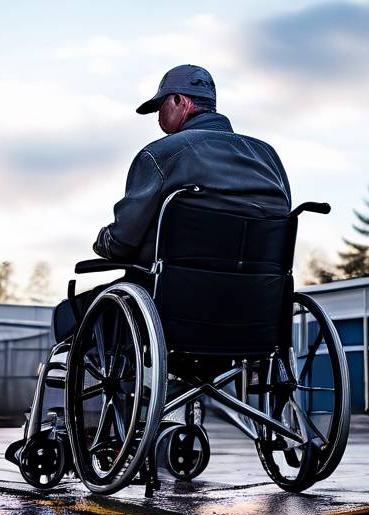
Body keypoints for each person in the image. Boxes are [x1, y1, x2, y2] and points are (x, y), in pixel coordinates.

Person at [53, 65, 291, 339]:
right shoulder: (267, 157)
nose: (158, 117)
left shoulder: (161, 154)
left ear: (181, 101)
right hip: (255, 303)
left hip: (175, 303)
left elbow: (122, 243)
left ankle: (73, 369)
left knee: (68, 315)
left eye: (161, 106)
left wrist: (103, 240)